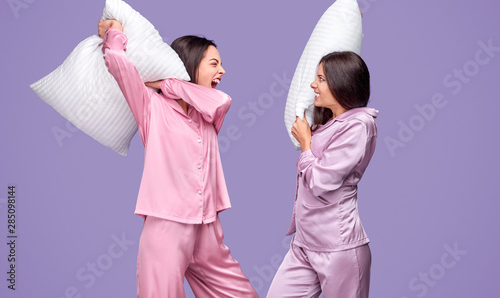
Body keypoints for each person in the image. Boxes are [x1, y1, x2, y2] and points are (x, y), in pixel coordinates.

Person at [98, 19, 258, 297]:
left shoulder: (208, 113)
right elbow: (117, 62)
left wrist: (170, 83)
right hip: (166, 227)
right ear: (191, 65)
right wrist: (112, 34)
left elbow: (222, 101)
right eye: (214, 64)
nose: (222, 70)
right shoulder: (151, 107)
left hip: (207, 227)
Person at [267, 51, 377, 298]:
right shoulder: (329, 124)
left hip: (339, 249)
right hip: (305, 245)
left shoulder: (359, 125)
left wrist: (306, 143)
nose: (313, 85)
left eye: (321, 79)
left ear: (342, 82)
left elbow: (321, 182)